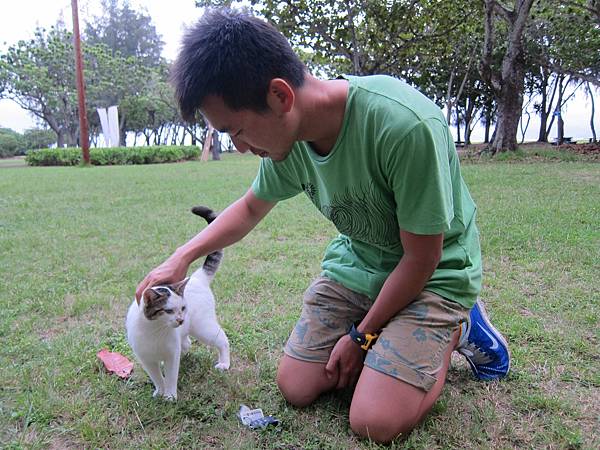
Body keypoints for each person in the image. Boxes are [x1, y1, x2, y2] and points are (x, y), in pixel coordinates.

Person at [135, 8, 510, 443]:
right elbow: (250, 208)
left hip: (434, 273)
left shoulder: (403, 127)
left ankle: (460, 325)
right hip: (361, 267)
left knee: (374, 422)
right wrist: (181, 258)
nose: (239, 147)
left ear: (279, 96)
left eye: (235, 131)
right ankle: (397, 333)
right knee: (297, 386)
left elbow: (422, 257)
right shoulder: (289, 139)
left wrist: (362, 335)